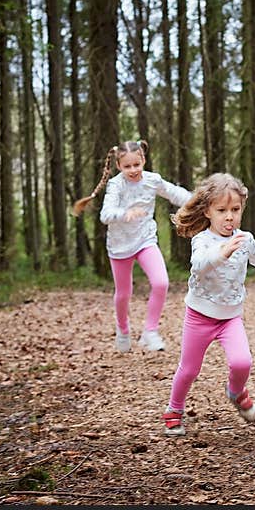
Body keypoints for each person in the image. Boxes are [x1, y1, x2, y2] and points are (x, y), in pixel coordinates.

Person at [162, 173, 255, 437]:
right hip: (199, 316)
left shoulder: (245, 239)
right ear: (208, 211)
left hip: (230, 317)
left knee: (243, 362)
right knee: (189, 369)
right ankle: (174, 409)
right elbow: (199, 266)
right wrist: (223, 252)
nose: (229, 216)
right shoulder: (202, 240)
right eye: (222, 210)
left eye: (235, 209)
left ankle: (236, 392)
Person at [72, 140, 191, 354]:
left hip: (145, 240)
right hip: (119, 246)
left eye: (137, 164)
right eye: (127, 166)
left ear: (143, 160)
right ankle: (123, 330)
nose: (133, 170)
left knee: (161, 282)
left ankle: (150, 331)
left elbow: (176, 194)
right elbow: (105, 215)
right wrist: (124, 214)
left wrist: (197, 201)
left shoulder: (152, 180)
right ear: (119, 166)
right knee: (124, 293)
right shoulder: (116, 185)